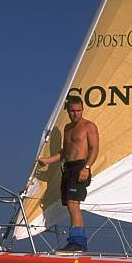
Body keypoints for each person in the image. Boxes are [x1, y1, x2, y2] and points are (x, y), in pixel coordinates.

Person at [37, 96, 99, 252]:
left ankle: (78, 242)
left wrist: (86, 167)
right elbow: (65, 152)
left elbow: (94, 149)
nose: (75, 114)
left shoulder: (89, 126)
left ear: (82, 110)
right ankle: (76, 241)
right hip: (68, 168)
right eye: (72, 111)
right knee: (70, 205)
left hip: (80, 166)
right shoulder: (67, 128)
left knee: (73, 204)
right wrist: (48, 161)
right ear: (68, 111)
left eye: (78, 111)